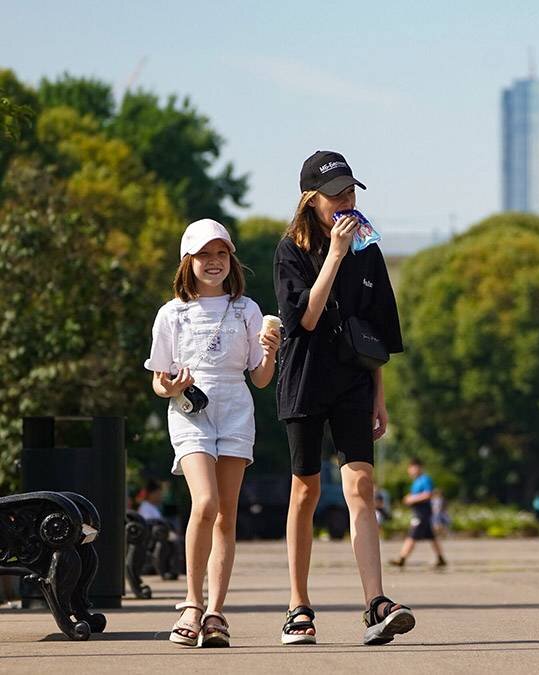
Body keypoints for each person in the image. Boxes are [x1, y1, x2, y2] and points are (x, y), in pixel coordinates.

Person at [273, 151, 413, 646]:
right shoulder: (290, 250)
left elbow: (377, 335)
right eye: (336, 196)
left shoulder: (370, 251)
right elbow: (305, 320)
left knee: (362, 486)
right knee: (306, 490)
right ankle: (297, 605)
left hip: (355, 381)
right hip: (306, 379)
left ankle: (376, 601)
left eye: (351, 193)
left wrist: (380, 397)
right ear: (312, 201)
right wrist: (333, 254)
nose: (346, 203)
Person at [145, 218, 280, 647]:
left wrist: (271, 354)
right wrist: (171, 386)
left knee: (227, 512)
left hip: (236, 406)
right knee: (204, 502)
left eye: (221, 253)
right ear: (189, 260)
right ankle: (191, 603)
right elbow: (158, 380)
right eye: (205, 254)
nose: (214, 261)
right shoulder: (172, 312)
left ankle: (217, 613)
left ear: (231, 259)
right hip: (191, 410)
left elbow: (259, 379)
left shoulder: (247, 309)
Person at [389, 458, 447, 568]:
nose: (410, 471)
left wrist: (411, 499)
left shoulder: (425, 479)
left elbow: (428, 494)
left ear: (418, 467)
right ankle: (441, 558)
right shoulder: (416, 481)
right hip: (419, 511)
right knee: (431, 536)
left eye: (412, 468)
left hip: (422, 512)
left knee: (412, 535)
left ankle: (402, 558)